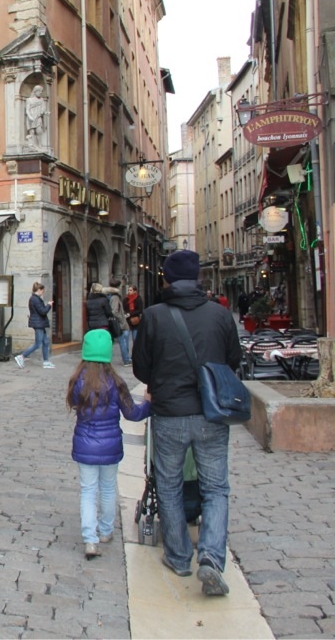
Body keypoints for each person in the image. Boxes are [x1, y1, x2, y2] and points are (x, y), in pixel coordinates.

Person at [132, 249, 242, 597]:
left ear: (165, 278)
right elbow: (233, 360)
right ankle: (210, 557)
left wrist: (163, 381)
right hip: (212, 414)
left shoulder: (153, 316)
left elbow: (141, 367)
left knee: (169, 484)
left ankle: (179, 557)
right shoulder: (220, 315)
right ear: (198, 278)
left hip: (170, 414)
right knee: (216, 488)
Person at [67, 329, 151, 559]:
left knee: (87, 490)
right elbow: (132, 413)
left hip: (84, 444)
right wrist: (148, 405)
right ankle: (105, 531)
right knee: (107, 488)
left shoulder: (77, 381)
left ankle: (90, 539)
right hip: (110, 445)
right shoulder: (116, 382)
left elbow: (74, 403)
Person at [15, 282, 54, 369]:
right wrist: (49, 305)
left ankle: (46, 361)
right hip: (38, 323)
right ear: (39, 290)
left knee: (46, 342)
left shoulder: (35, 299)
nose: (43, 293)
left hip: (39, 323)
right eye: (42, 291)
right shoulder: (35, 299)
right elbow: (42, 311)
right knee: (38, 343)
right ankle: (22, 356)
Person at [105, 279, 131, 366]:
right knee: (123, 341)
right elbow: (115, 311)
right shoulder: (115, 297)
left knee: (120, 340)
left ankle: (126, 358)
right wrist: (121, 318)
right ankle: (126, 360)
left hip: (114, 322)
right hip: (119, 323)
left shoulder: (109, 296)